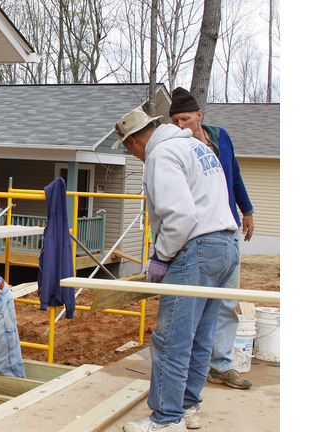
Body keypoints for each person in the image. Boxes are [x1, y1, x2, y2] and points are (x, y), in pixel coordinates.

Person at [110, 107, 239, 432]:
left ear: (133, 142)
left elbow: (180, 215)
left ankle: (166, 420)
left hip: (196, 249)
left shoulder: (161, 154)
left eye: (129, 150)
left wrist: (162, 257)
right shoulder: (194, 145)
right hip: (226, 246)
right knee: (201, 335)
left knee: (171, 339)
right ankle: (187, 408)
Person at [168, 87, 255, 391]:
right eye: (176, 120)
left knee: (226, 302)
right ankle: (191, 368)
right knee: (192, 309)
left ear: (199, 115)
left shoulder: (220, 138)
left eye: (186, 119)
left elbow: (234, 175)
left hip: (226, 231)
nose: (182, 126)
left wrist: (247, 210)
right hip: (196, 237)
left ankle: (221, 365)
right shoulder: (180, 147)